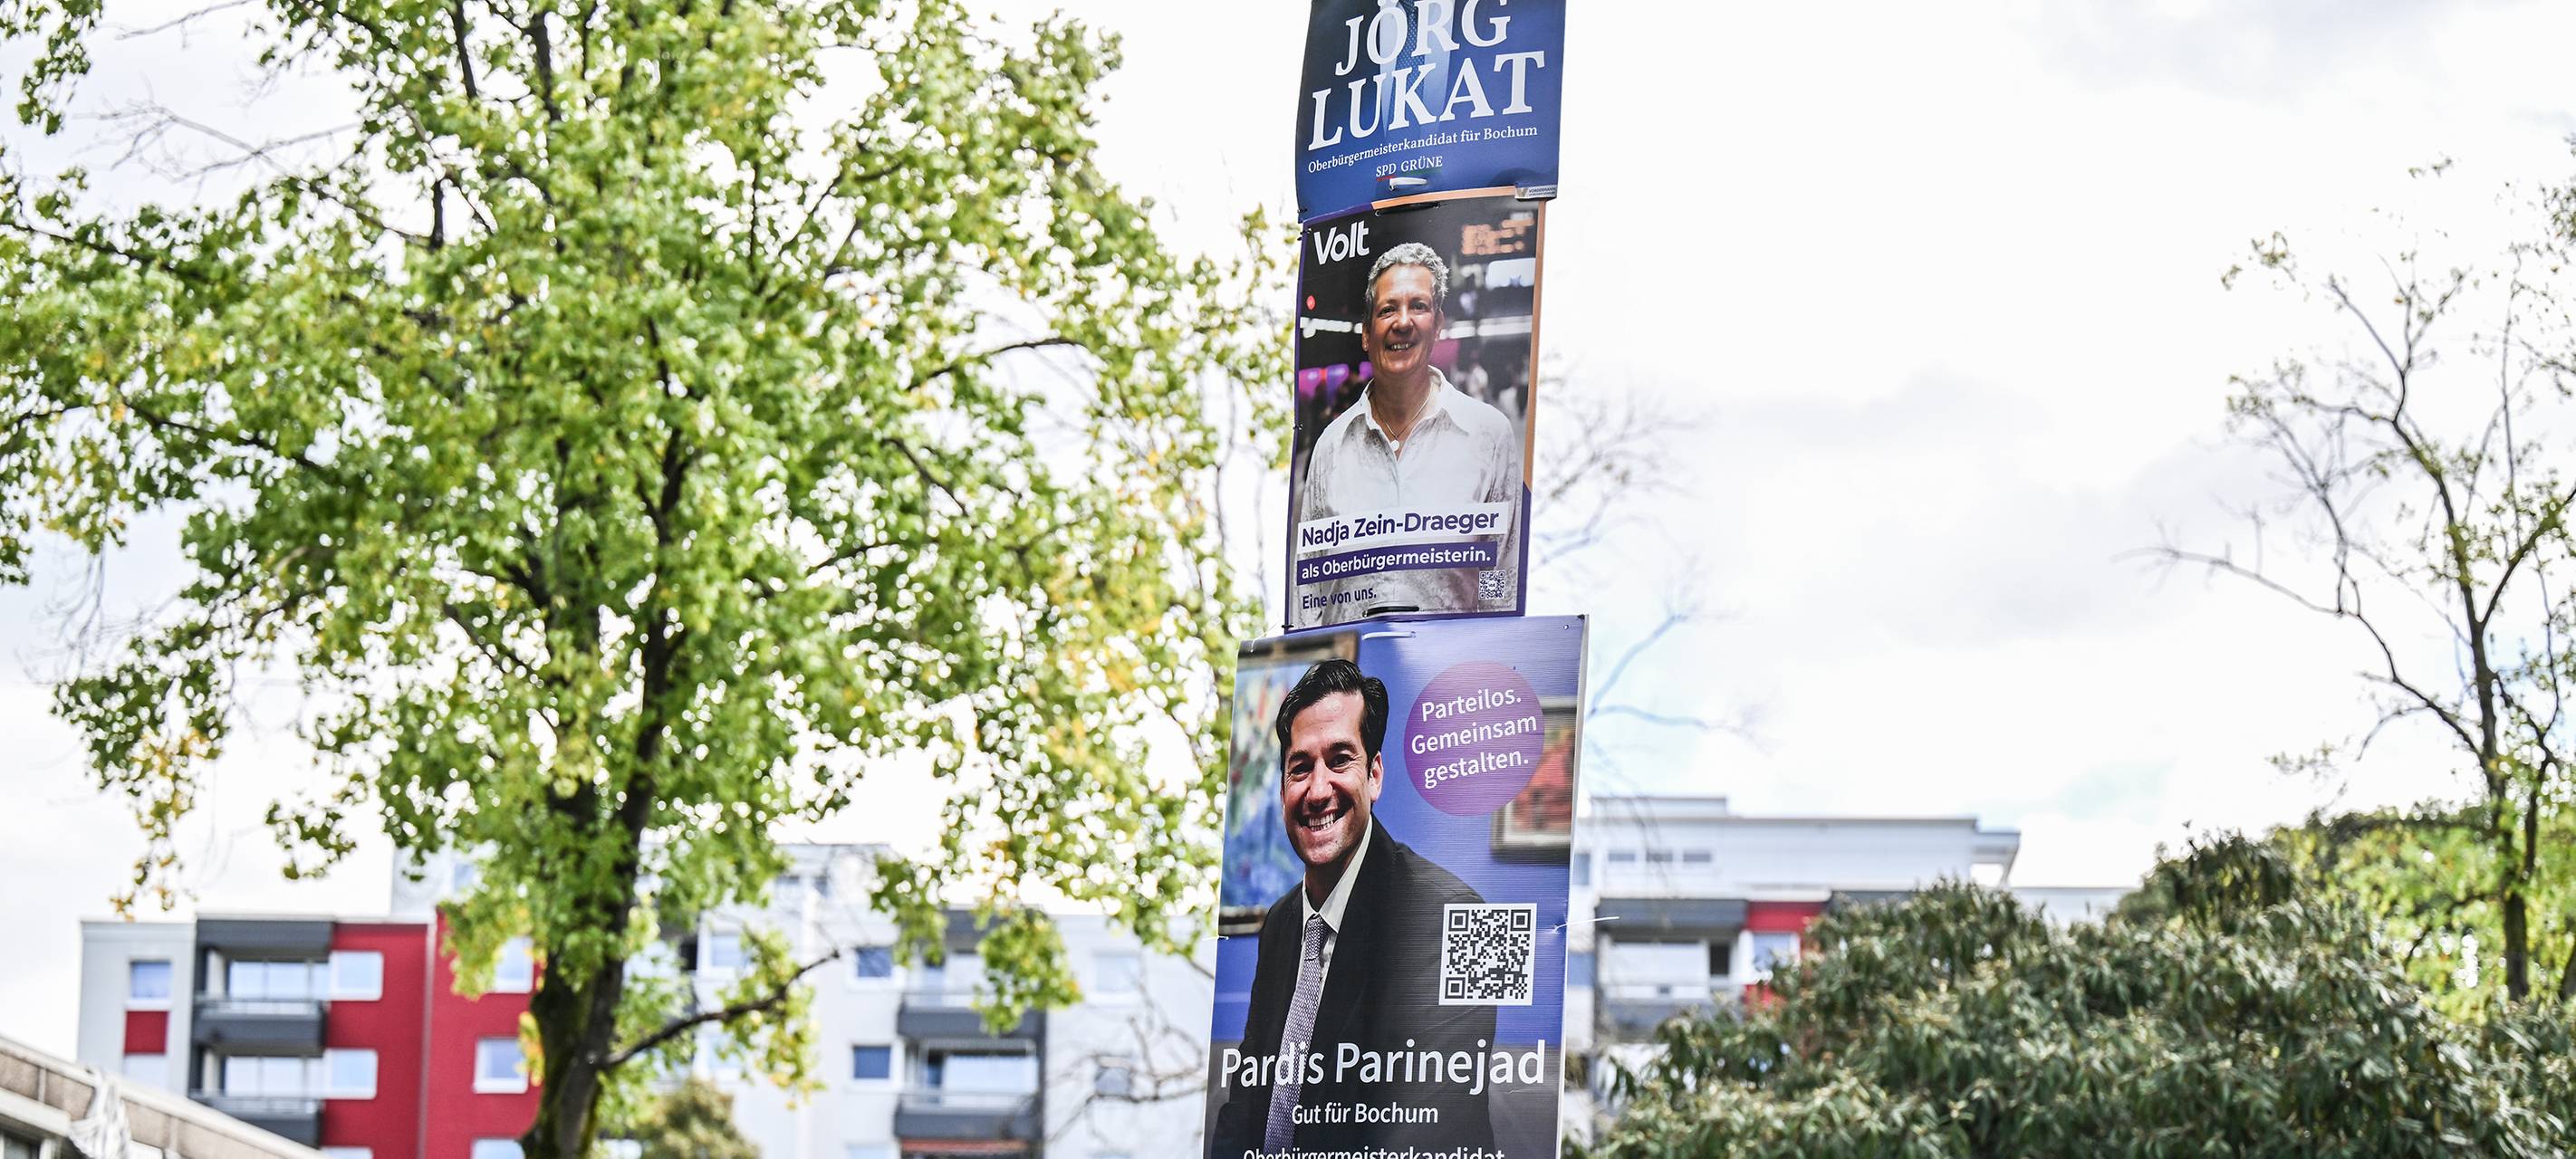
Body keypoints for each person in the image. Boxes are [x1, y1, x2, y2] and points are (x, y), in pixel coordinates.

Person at [1209, 659, 1495, 1156]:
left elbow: (1432, 1132)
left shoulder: (1463, 917)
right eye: (1300, 767)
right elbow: (1245, 1106)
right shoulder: (1281, 923)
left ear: (1375, 775)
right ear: (1282, 790)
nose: (1317, 790)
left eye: (1340, 760)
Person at [1293, 242, 1523, 627]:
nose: (1403, 321)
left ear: (1439, 325)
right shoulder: (1331, 447)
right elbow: (1308, 599)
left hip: (1446, 679)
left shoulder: (1488, 435)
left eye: (1418, 306)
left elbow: (1501, 578)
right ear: (1366, 334)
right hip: (1350, 680)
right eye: (1387, 309)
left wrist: (1488, 658)